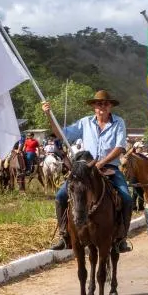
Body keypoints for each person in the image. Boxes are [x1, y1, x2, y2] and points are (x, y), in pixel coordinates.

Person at [42, 90, 133, 253]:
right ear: (94, 107)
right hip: (85, 170)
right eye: (99, 104)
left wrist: (100, 163)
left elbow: (120, 147)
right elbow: (62, 135)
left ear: (110, 106)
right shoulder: (85, 122)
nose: (102, 107)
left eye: (105, 103)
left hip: (109, 167)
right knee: (61, 196)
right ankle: (64, 235)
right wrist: (49, 114)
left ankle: (121, 238)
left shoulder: (119, 122)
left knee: (126, 198)